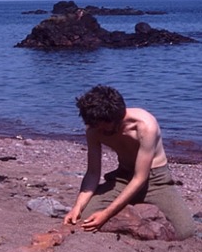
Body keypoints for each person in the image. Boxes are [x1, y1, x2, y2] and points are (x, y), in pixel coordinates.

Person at [64, 85, 195, 240]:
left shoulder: (145, 126)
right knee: (84, 217)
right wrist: (77, 207)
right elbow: (93, 173)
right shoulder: (94, 128)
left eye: (104, 128)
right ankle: (129, 210)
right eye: (95, 126)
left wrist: (106, 214)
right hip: (122, 177)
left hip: (155, 180)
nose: (100, 131)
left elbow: (140, 177)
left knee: (185, 231)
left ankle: (132, 209)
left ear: (116, 118)